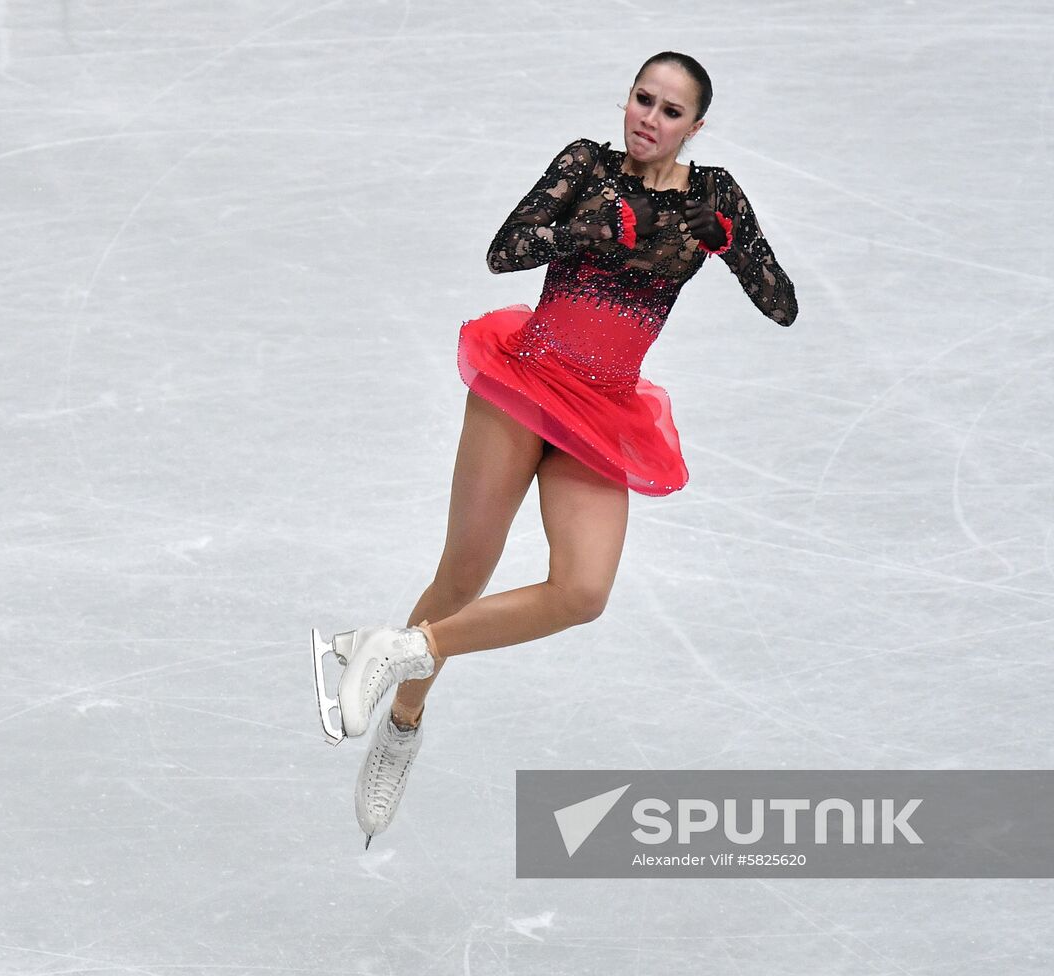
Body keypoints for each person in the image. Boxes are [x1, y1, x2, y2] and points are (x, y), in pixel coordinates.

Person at [314, 51, 799, 848]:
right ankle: (403, 724)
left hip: (603, 413)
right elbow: (506, 251)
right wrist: (597, 224)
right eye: (643, 99)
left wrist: (731, 240)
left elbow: (781, 305)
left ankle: (398, 649)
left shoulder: (716, 195)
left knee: (582, 592)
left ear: (697, 127)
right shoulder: (588, 165)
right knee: (464, 573)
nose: (649, 118)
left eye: (671, 111)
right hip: (525, 387)